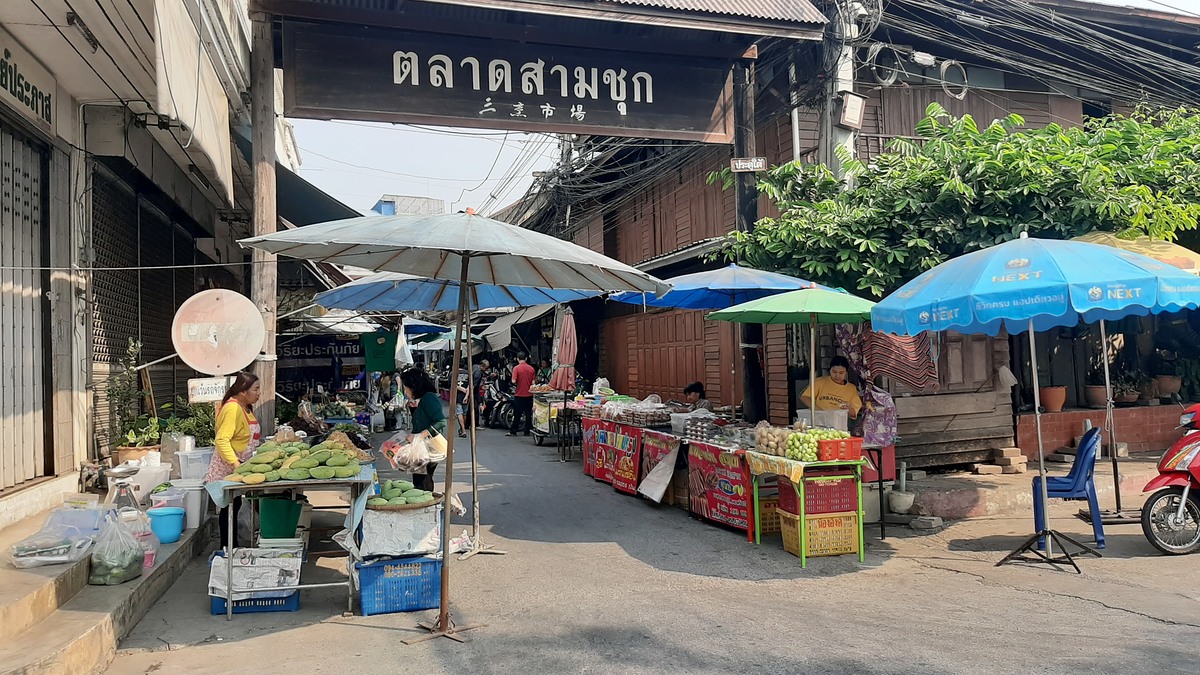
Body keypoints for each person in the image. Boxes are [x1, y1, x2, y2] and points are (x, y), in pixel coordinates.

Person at [205, 372, 261, 548]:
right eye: (256, 389)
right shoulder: (233, 408)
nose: (259, 393)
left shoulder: (244, 407)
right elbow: (222, 440)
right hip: (229, 467)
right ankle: (228, 548)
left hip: (241, 467)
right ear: (243, 391)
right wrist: (236, 465)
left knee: (234, 507)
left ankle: (232, 546)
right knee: (229, 509)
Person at [400, 367, 446, 491]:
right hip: (421, 447)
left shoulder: (429, 398)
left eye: (406, 388)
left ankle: (428, 506)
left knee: (422, 480)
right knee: (420, 479)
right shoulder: (421, 400)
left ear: (414, 386)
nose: (405, 391)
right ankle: (427, 504)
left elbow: (441, 422)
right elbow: (421, 421)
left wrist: (419, 435)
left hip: (429, 447)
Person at [800, 355, 863, 420]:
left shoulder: (851, 388)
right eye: (834, 372)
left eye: (841, 373)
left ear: (846, 373)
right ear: (829, 370)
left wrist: (848, 409)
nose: (837, 375)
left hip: (839, 423)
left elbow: (854, 413)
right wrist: (818, 410)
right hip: (819, 421)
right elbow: (805, 397)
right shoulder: (820, 382)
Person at [507, 351, 536, 436]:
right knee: (528, 414)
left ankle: (514, 431)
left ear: (517, 359)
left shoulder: (516, 368)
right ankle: (527, 431)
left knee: (517, 414)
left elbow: (513, 381)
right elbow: (533, 382)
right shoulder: (531, 369)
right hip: (529, 395)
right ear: (526, 358)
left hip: (519, 394)